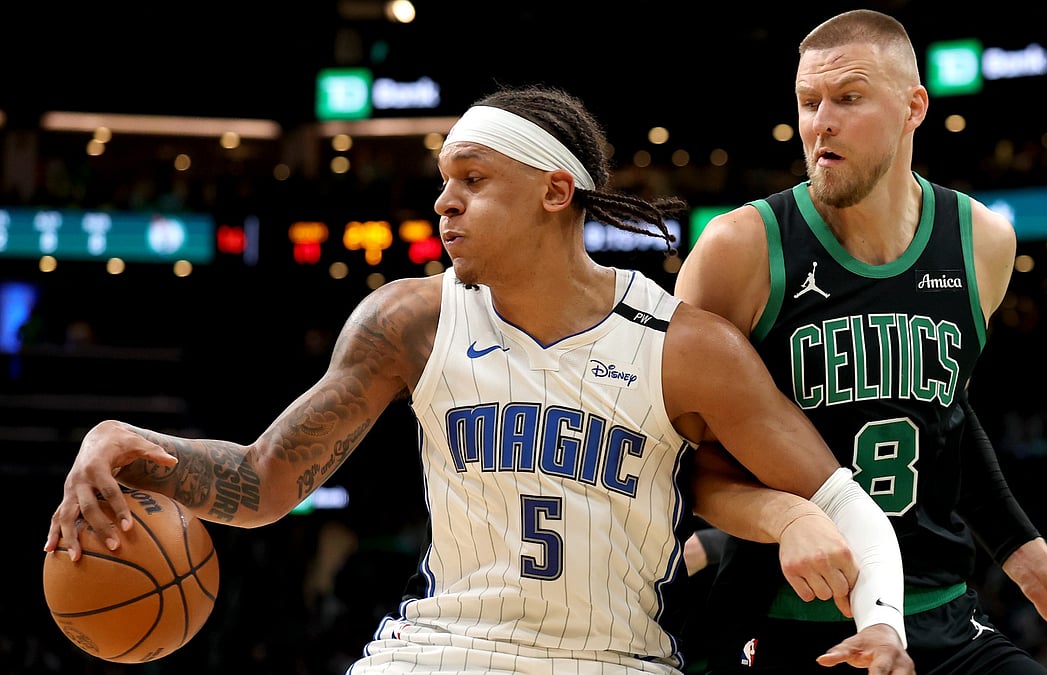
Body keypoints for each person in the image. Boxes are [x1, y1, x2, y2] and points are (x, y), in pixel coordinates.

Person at [44, 84, 913, 675]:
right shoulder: (411, 322)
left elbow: (845, 502)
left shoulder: (683, 345)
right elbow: (267, 481)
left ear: (554, 190)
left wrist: (881, 621)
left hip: (610, 659)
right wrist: (125, 446)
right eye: (442, 182)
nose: (443, 203)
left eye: (472, 180)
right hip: (437, 650)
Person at [674, 9, 1047, 674]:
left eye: (849, 97)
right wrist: (779, 518)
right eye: (809, 102)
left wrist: (1034, 566)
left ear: (913, 106)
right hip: (785, 618)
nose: (822, 122)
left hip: (941, 611)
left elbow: (945, 420)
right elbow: (677, 458)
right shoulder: (741, 249)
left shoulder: (981, 241)